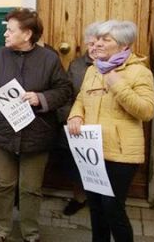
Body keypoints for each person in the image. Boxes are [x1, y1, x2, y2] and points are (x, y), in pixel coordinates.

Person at [0, 8, 72, 242]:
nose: (5, 35)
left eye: (9, 30)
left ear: (27, 34)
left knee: (30, 189)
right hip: (2, 134)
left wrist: (41, 98)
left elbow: (65, 90)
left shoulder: (49, 59)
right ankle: (1, 230)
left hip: (36, 135)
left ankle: (30, 233)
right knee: (4, 185)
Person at [68, 20, 154, 242]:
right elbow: (81, 98)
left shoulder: (139, 72)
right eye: (96, 39)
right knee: (96, 208)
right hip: (92, 150)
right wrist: (76, 115)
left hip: (121, 154)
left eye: (106, 40)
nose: (97, 44)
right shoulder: (92, 70)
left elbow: (146, 111)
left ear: (124, 46)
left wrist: (117, 83)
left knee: (113, 208)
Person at [56, 22, 100, 216]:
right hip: (77, 124)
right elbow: (66, 93)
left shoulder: (118, 67)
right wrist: (67, 117)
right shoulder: (76, 65)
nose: (94, 48)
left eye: (98, 43)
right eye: (90, 43)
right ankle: (79, 198)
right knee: (77, 164)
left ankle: (101, 201)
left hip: (104, 125)